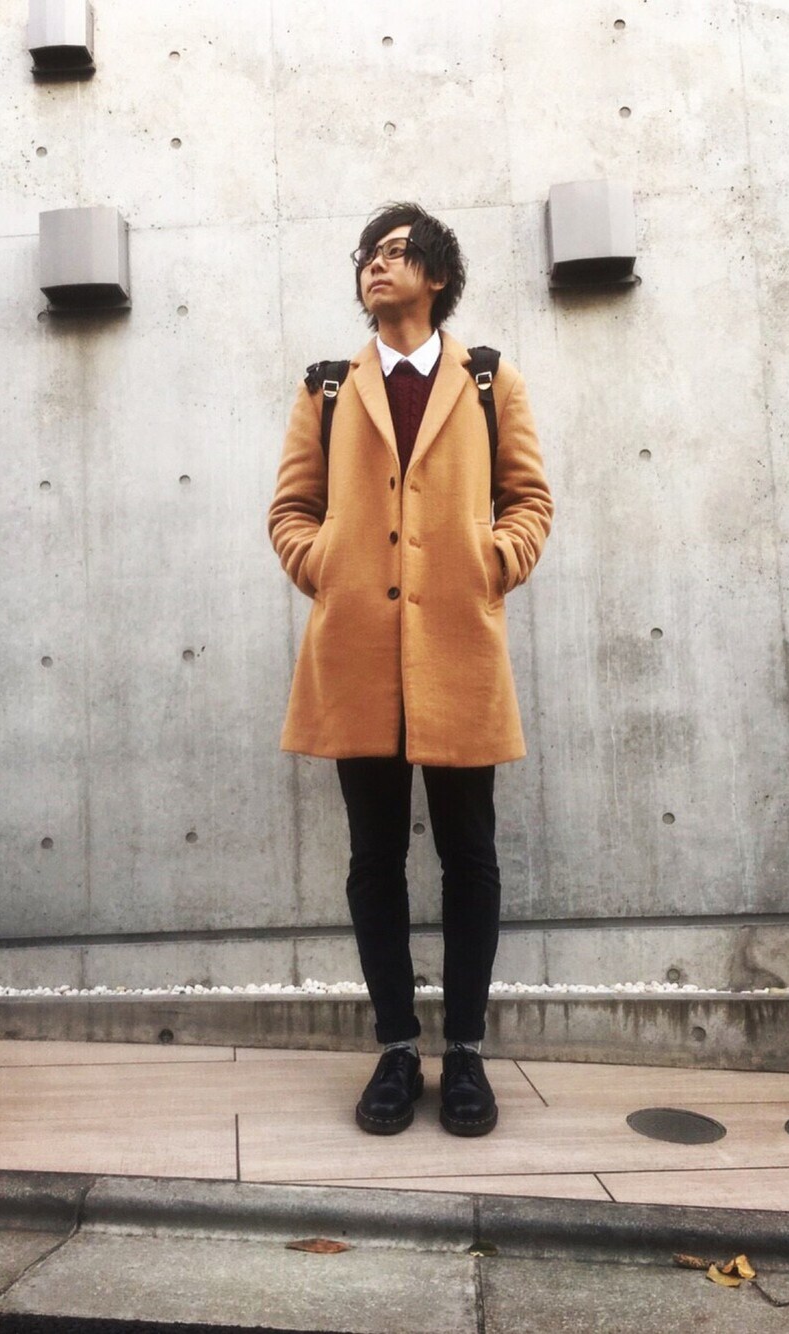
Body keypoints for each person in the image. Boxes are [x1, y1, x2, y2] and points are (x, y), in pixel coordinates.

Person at [268, 202, 552, 1136]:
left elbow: (530, 499)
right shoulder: (327, 388)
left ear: (436, 276)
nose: (375, 267)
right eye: (368, 256)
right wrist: (327, 566)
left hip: (458, 651)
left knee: (470, 856)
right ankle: (396, 1048)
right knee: (373, 860)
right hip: (358, 656)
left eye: (395, 253)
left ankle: (464, 1052)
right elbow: (290, 511)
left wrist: (492, 562)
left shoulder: (486, 380)